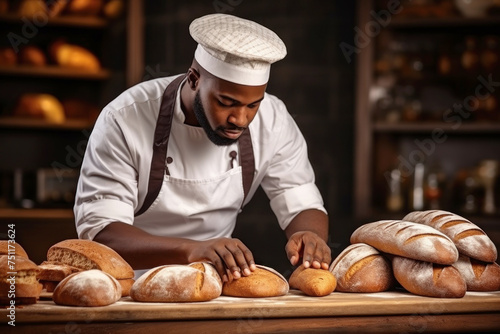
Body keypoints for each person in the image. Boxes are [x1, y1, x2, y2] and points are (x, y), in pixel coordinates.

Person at [74, 13, 331, 282]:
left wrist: (309, 236)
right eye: (226, 102)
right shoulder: (125, 118)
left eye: (252, 104)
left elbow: (298, 195)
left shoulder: (273, 119)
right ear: (194, 79)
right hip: (126, 283)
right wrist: (193, 250)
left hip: (215, 284)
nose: (240, 119)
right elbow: (103, 233)